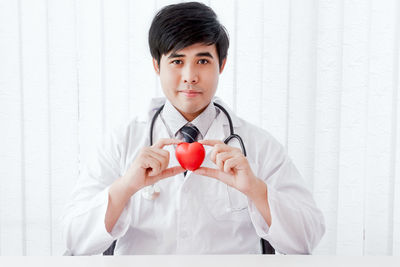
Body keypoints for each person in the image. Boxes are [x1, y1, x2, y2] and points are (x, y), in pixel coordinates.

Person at [62, 1, 325, 255]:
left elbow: (306, 239)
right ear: (157, 65)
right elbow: (75, 241)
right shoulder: (122, 142)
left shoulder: (258, 145)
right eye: (177, 61)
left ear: (221, 65)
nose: (189, 76)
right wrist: (125, 188)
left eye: (202, 61)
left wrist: (255, 189)